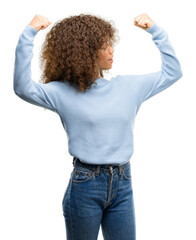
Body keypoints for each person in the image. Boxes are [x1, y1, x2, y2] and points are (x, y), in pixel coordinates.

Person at [13, 13, 183, 240]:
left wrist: (155, 31)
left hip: (123, 182)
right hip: (85, 184)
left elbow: (173, 72)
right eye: (104, 46)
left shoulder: (128, 87)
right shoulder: (61, 92)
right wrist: (28, 34)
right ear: (86, 52)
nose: (112, 50)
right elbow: (22, 87)